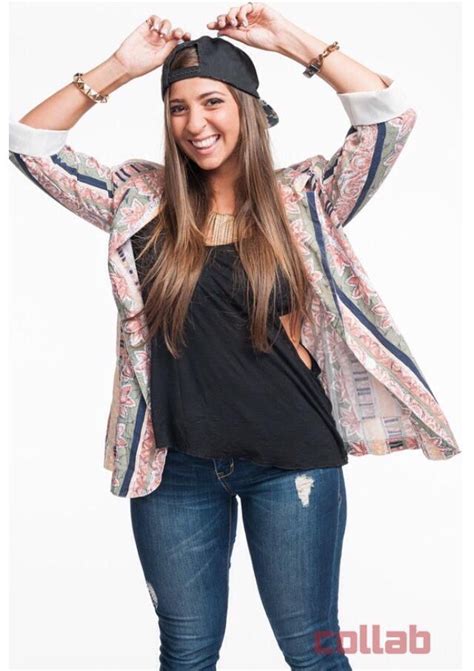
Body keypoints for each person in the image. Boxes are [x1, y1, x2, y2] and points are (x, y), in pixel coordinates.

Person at [9, 2, 461, 669]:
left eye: (213, 101)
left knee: (312, 651)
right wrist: (120, 68)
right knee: (186, 652)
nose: (195, 124)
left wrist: (290, 41)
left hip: (292, 463)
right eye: (178, 108)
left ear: (248, 108)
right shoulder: (138, 202)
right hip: (176, 472)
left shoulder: (304, 200)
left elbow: (388, 120)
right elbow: (29, 146)